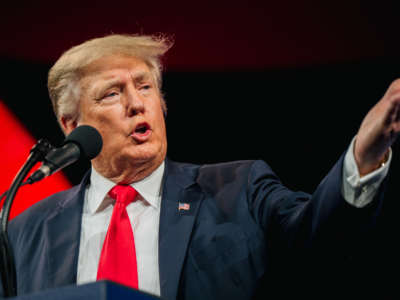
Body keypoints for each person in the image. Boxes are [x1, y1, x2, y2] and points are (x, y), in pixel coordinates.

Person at [1, 34, 398, 299]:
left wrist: (362, 157)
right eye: (111, 93)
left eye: (145, 86)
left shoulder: (238, 189)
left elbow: (317, 238)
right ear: (72, 125)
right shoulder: (25, 232)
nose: (137, 104)